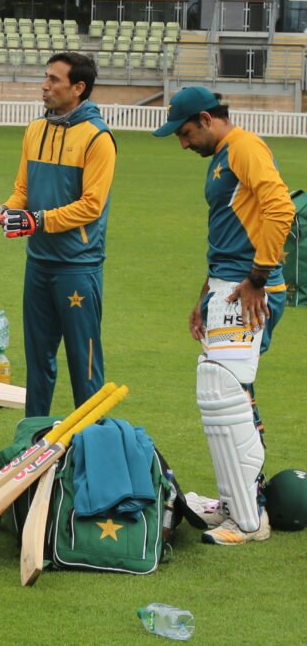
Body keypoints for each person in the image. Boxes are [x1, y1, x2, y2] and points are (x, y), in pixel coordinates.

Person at [153, 86, 294, 545]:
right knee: (235, 396)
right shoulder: (222, 157)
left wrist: (257, 277)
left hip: (246, 289)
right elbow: (228, 233)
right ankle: (238, 503)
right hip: (226, 286)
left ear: (207, 119)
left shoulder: (245, 147)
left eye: (186, 132)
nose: (183, 142)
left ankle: (248, 521)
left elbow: (279, 208)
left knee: (223, 394)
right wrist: (203, 295)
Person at [0, 52, 117, 417]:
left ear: (78, 88)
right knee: (38, 363)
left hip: (78, 267)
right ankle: (33, 444)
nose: (44, 86)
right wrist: (4, 213)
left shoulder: (98, 138)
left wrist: (34, 221)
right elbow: (23, 192)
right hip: (40, 264)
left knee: (85, 366)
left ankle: (90, 450)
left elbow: (91, 206)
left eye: (54, 80)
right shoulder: (35, 130)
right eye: (45, 77)